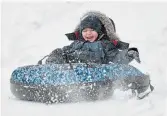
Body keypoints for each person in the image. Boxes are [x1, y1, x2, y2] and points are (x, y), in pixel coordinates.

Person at [38, 11, 153, 99]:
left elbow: (117, 58)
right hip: (71, 74)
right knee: (58, 53)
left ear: (100, 32)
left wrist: (129, 54)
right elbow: (63, 53)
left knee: (116, 70)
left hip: (94, 76)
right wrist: (53, 60)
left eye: (92, 30)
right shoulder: (76, 44)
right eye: (85, 31)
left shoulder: (105, 45)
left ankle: (141, 84)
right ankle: (49, 82)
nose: (88, 33)